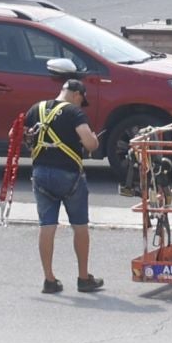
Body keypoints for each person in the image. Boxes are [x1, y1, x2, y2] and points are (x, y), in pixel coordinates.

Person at [25, 79, 104, 294]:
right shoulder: (74, 113)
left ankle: (49, 279)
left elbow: (21, 136)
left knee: (47, 226)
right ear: (77, 94)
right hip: (68, 175)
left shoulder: (36, 108)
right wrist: (95, 140)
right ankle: (83, 277)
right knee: (80, 226)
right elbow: (90, 144)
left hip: (40, 173)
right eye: (81, 100)